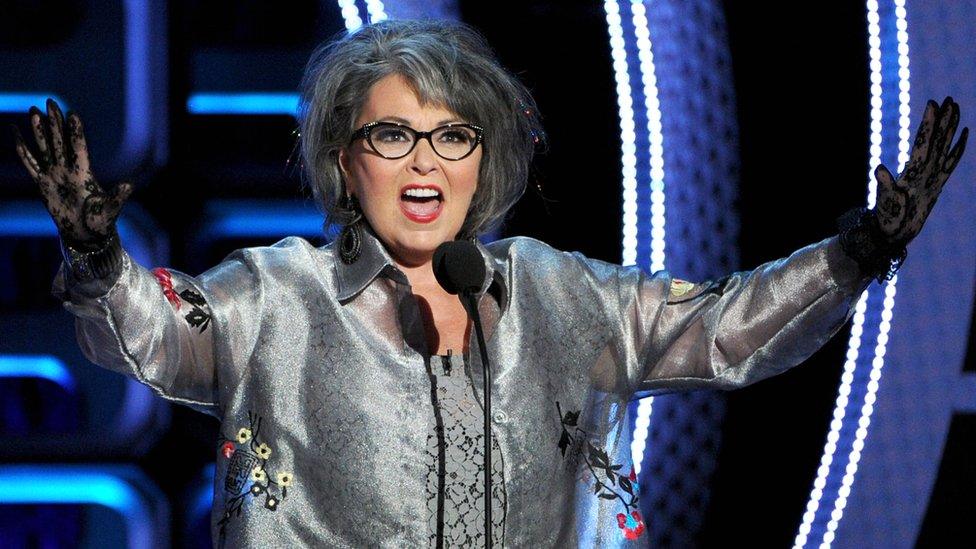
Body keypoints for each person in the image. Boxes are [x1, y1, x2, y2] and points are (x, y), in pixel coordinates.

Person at [11, 18, 967, 548]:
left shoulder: (563, 295)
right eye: (393, 135)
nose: (424, 163)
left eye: (452, 137)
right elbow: (158, 332)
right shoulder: (275, 295)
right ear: (346, 162)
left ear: (484, 162)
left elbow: (725, 329)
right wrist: (100, 260)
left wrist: (858, 252)